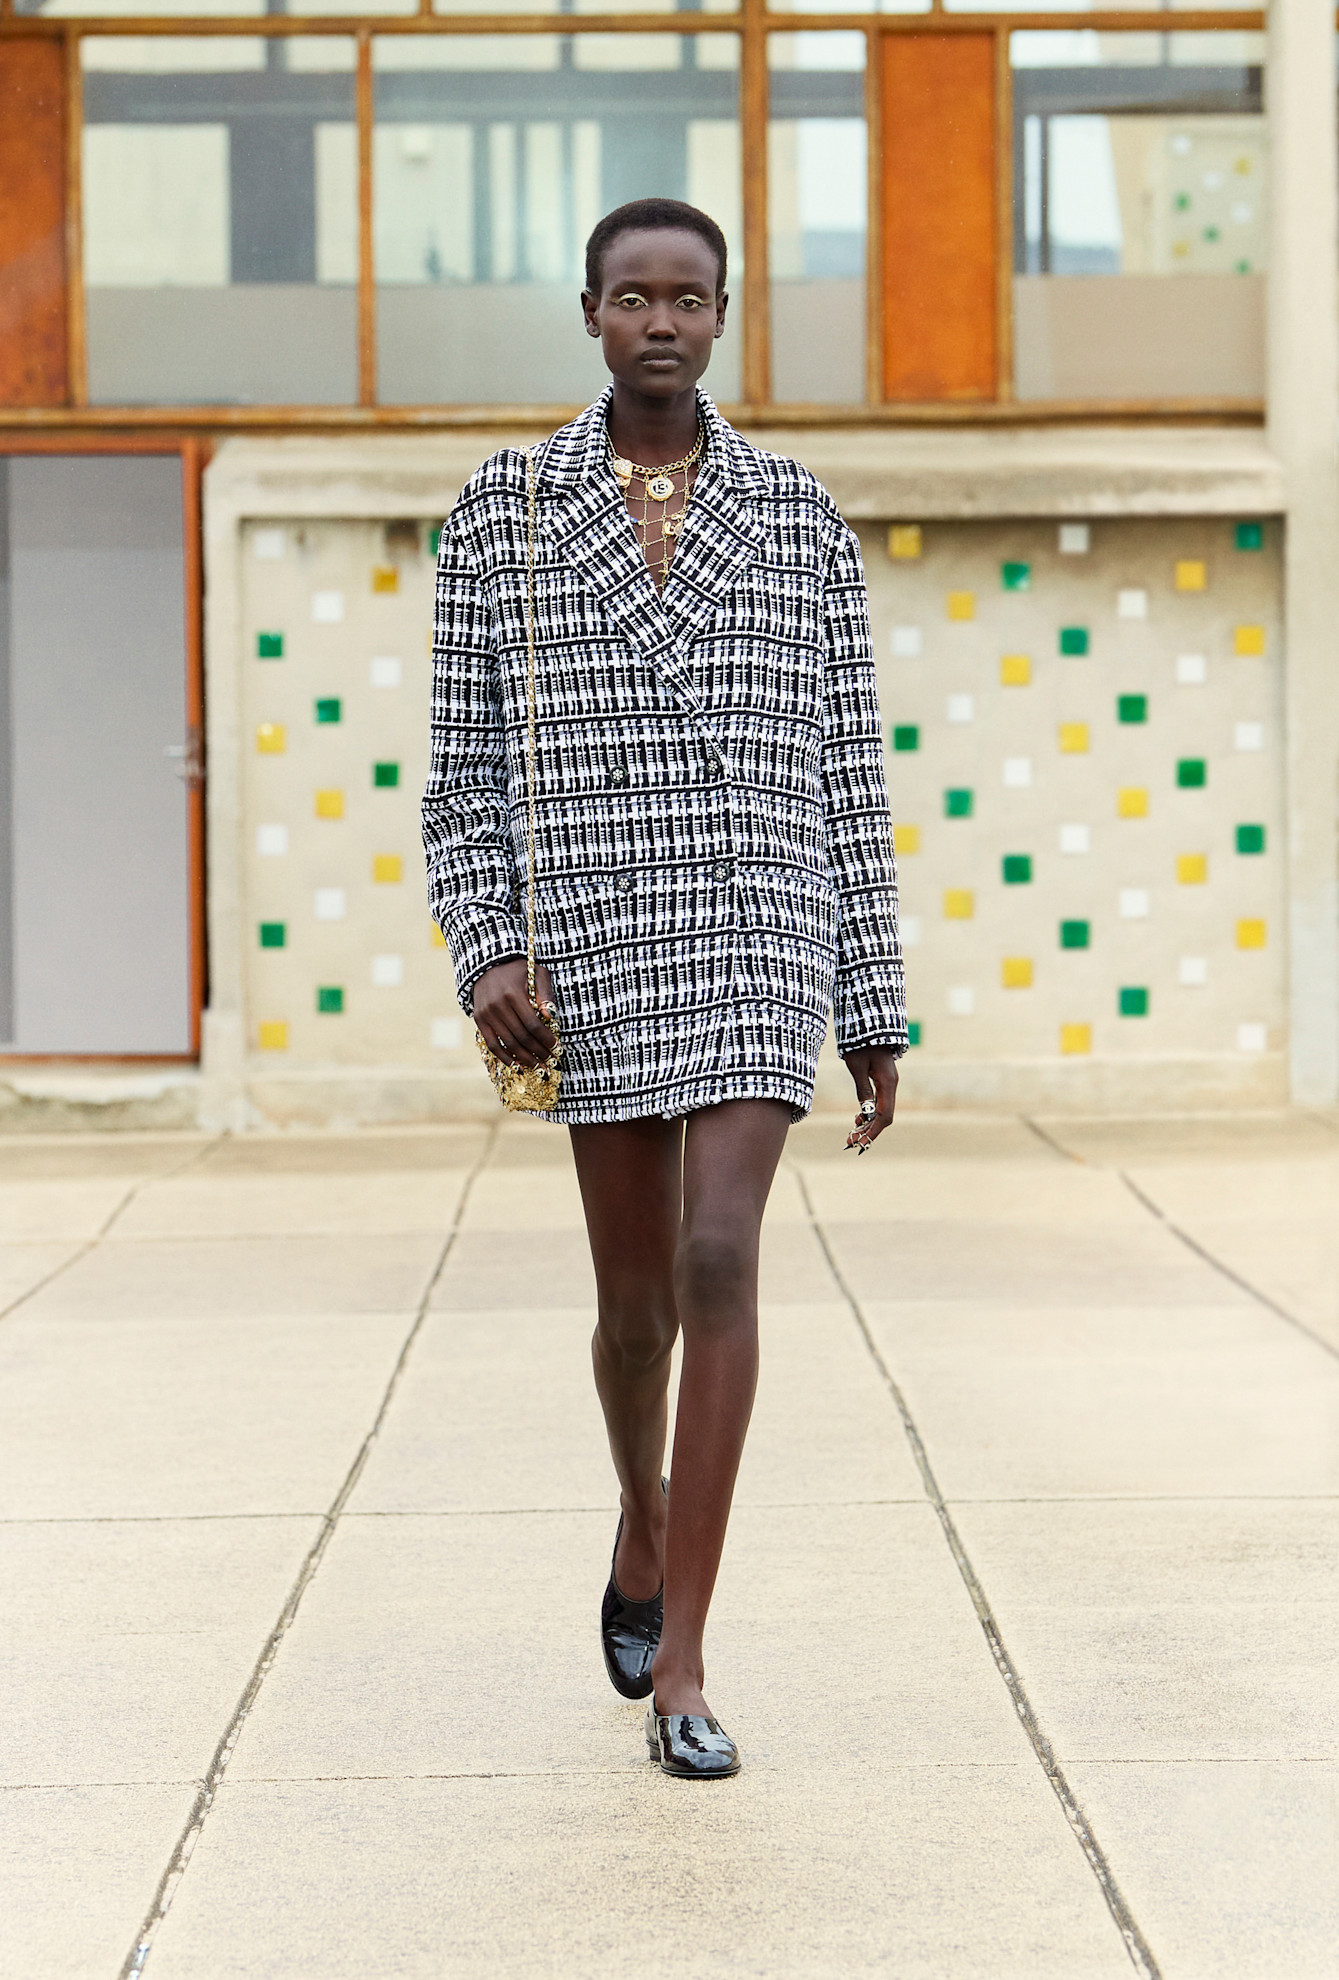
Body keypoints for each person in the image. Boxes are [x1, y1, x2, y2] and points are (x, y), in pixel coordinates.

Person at [423, 197, 906, 1780]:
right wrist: (487, 942)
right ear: (587, 314)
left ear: (723, 317)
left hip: (765, 921)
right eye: (632, 296)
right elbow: (464, 765)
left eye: (689, 298)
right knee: (634, 1314)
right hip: (595, 939)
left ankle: (687, 1654)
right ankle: (642, 1514)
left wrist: (873, 999)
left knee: (720, 1256)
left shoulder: (800, 514)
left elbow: (848, 761)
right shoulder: (504, 509)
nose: (661, 321)